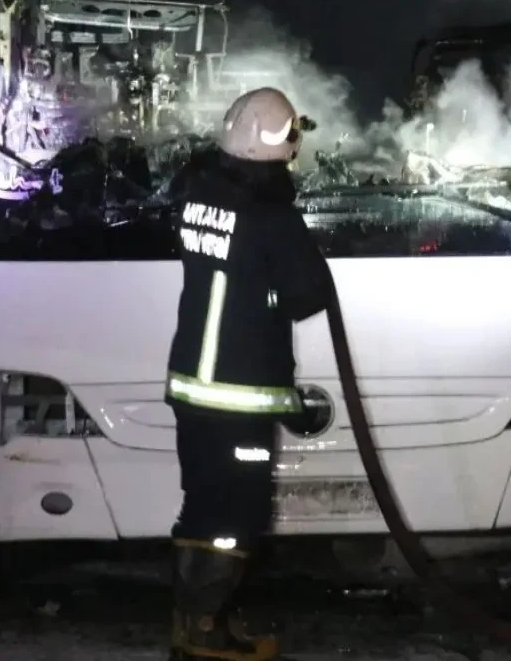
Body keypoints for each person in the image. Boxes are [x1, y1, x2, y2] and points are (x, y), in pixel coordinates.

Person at [164, 87, 333, 661]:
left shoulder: (196, 195)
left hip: (192, 387)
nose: (294, 149)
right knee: (237, 516)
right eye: (291, 138)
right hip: (240, 396)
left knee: (203, 505)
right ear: (277, 142)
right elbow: (309, 295)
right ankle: (205, 631)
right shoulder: (270, 214)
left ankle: (193, 625)